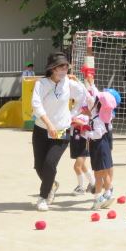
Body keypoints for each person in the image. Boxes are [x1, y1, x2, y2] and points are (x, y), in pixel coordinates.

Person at [31, 52, 87, 211]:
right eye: (60, 67)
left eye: (66, 67)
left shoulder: (69, 83)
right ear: (52, 69)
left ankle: (43, 196)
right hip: (41, 129)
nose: (64, 70)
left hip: (62, 131)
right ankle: (52, 184)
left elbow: (84, 96)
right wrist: (48, 124)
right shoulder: (41, 84)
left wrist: (73, 114)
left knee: (50, 164)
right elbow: (36, 105)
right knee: (39, 166)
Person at [76, 90, 118, 210]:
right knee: (104, 172)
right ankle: (108, 193)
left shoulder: (98, 119)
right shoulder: (103, 116)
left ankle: (98, 198)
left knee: (98, 174)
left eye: (95, 101)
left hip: (98, 147)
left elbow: (97, 134)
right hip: (102, 146)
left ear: (98, 104)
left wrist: (86, 132)